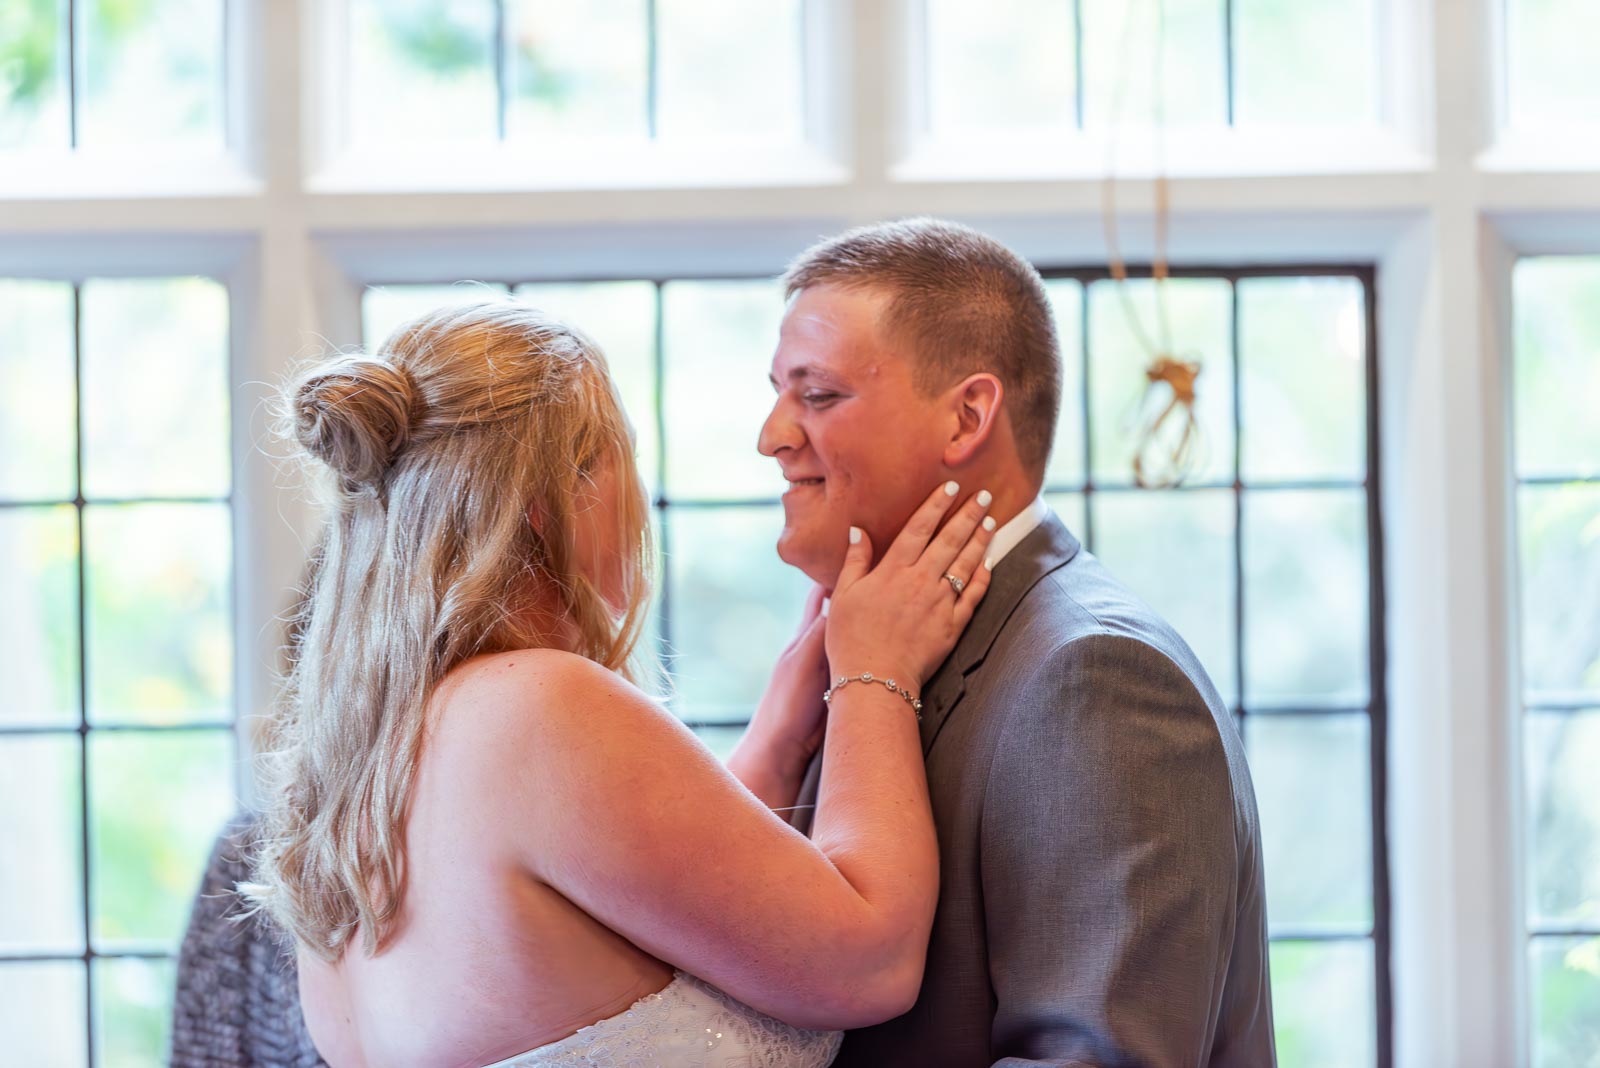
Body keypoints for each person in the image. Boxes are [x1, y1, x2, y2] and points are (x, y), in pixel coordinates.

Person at [241, 300, 1000, 1066]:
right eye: (620, 457)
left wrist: (774, 740)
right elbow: (872, 963)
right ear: (545, 503)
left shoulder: (364, 770)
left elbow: (633, 909)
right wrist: (875, 671)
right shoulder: (538, 706)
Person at [759, 218, 1277, 1066]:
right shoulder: (856, 651)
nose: (774, 435)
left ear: (966, 416)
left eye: (817, 395)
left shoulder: (1097, 676)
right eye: (779, 393)